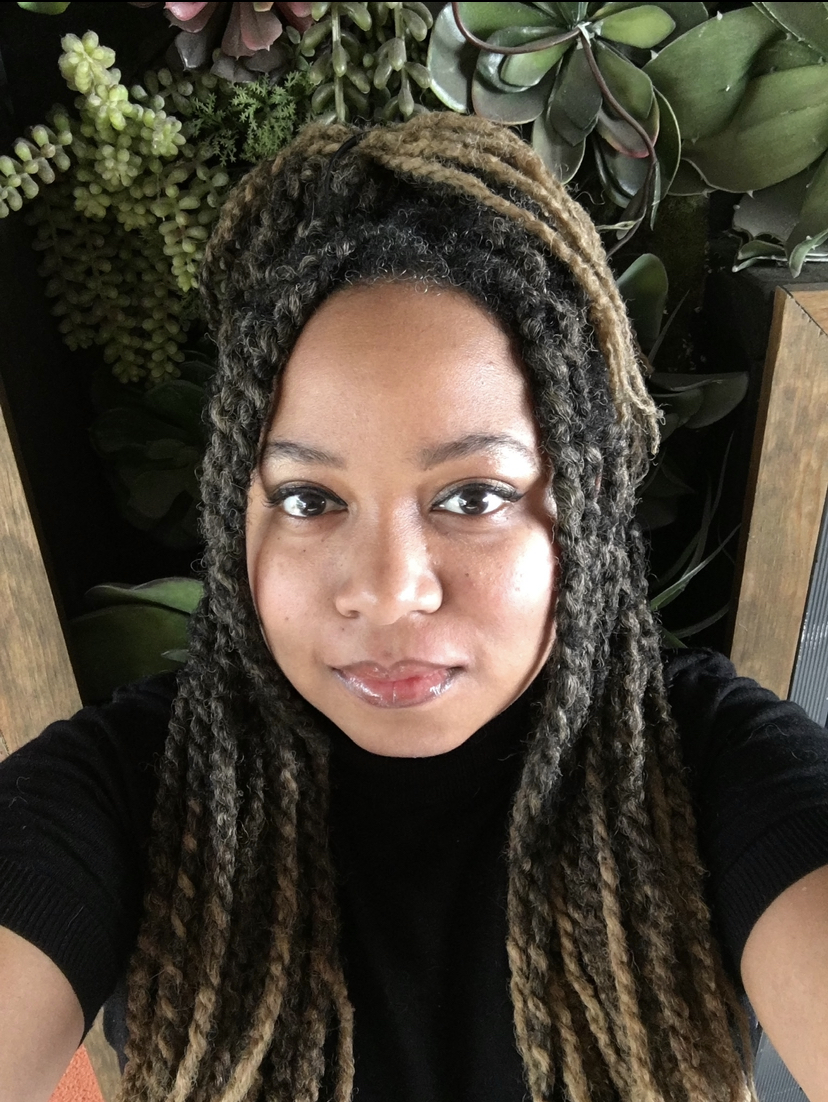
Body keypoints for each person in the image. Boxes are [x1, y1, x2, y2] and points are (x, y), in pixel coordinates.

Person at [1, 113, 828, 1102]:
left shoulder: (710, 765)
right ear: (238, 519)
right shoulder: (126, 789)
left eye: (473, 497)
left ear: (583, 507)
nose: (388, 589)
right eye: (310, 501)